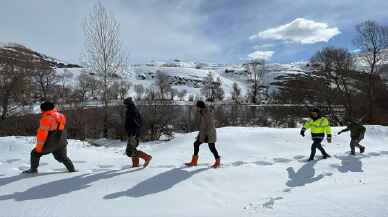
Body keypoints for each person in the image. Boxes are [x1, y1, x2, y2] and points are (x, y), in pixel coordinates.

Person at [23, 101, 75, 174]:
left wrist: (39, 149)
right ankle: (72, 170)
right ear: (53, 107)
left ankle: (33, 170)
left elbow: (42, 136)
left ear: (43, 110)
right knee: (62, 157)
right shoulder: (61, 116)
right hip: (61, 142)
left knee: (34, 153)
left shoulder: (46, 119)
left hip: (50, 143)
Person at [185, 100, 221, 168]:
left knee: (212, 148)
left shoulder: (207, 113)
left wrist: (206, 135)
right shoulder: (202, 112)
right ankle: (194, 161)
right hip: (204, 134)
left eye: (197, 107)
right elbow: (203, 125)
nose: (196, 108)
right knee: (196, 144)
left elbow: (210, 125)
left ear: (200, 107)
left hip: (210, 133)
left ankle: (217, 161)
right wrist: (199, 135)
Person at [124, 97, 152, 168]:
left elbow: (135, 122)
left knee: (130, 151)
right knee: (132, 149)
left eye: (125, 104)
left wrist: (133, 132)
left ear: (128, 103)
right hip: (134, 133)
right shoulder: (133, 109)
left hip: (133, 133)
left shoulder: (131, 111)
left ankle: (147, 157)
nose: (125, 105)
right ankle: (135, 165)